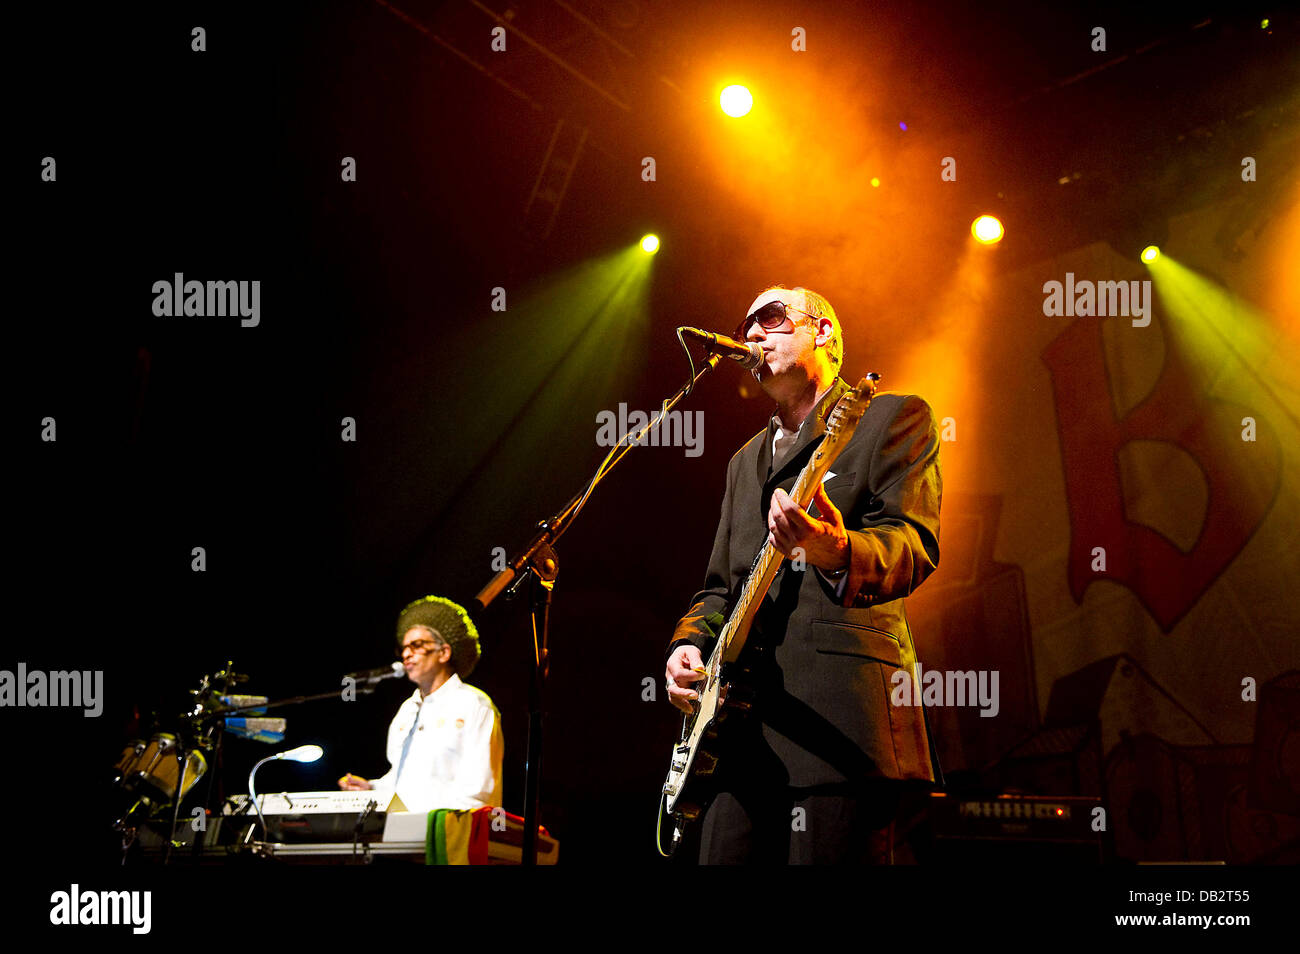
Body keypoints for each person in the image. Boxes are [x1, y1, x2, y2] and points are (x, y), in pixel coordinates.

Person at [664, 285, 943, 864]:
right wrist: (688, 645)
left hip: (841, 724)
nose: (752, 334)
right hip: (736, 741)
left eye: (769, 318)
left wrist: (834, 547)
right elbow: (722, 585)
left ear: (823, 333)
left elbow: (913, 544)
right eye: (746, 327)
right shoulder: (744, 460)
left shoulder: (890, 417)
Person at [340, 596, 504, 813]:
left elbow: (480, 790)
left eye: (416, 646)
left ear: (444, 652)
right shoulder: (407, 710)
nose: (407, 654)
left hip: (448, 835)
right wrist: (371, 788)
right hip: (400, 834)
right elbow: (402, 779)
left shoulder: (474, 704)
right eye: (404, 648)